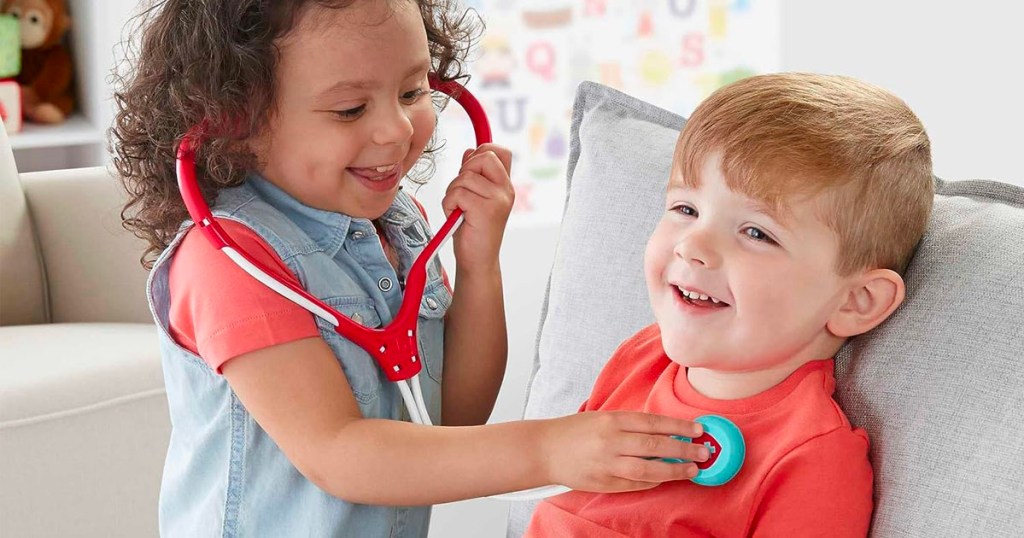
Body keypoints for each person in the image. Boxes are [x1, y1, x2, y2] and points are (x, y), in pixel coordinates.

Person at [110, 1, 709, 536]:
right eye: (350, 109)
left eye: (412, 91)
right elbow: (340, 451)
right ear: (234, 121)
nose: (397, 129)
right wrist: (549, 449)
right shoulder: (230, 264)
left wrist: (478, 265)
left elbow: (448, 417)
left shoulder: (395, 226)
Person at [525, 72, 934, 537]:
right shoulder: (639, 359)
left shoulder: (812, 457)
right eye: (686, 209)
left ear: (857, 301)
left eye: (756, 232)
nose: (693, 245)